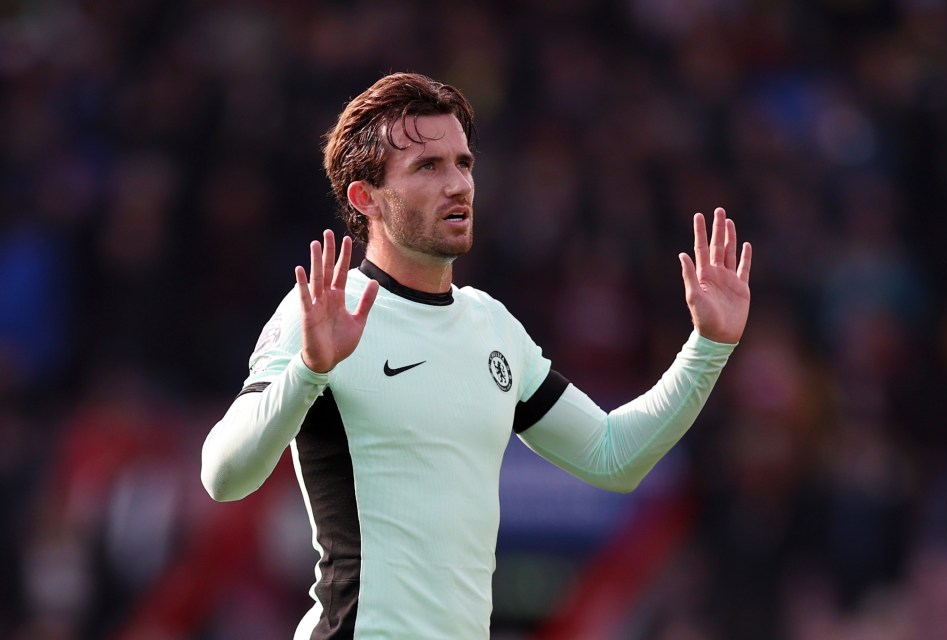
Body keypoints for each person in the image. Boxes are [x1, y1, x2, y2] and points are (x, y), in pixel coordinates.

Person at [200, 72, 752, 639]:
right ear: (365, 198)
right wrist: (309, 370)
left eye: (463, 163)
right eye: (427, 167)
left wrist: (708, 346)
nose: (458, 184)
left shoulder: (490, 324)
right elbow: (223, 475)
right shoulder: (320, 313)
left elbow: (612, 457)